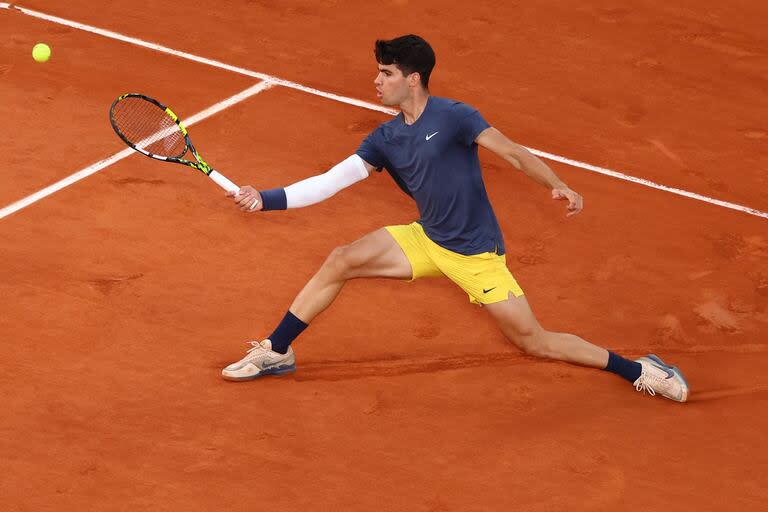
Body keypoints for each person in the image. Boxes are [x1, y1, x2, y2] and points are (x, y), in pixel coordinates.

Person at [221, 35, 689, 402]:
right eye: (378, 73)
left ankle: (642, 370)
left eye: (386, 74)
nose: (377, 82)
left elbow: (511, 152)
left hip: (474, 254)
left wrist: (556, 183)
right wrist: (266, 198)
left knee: (535, 342)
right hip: (427, 239)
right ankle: (277, 351)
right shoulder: (385, 138)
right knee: (341, 259)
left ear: (414, 79)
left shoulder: (455, 117)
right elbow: (330, 181)